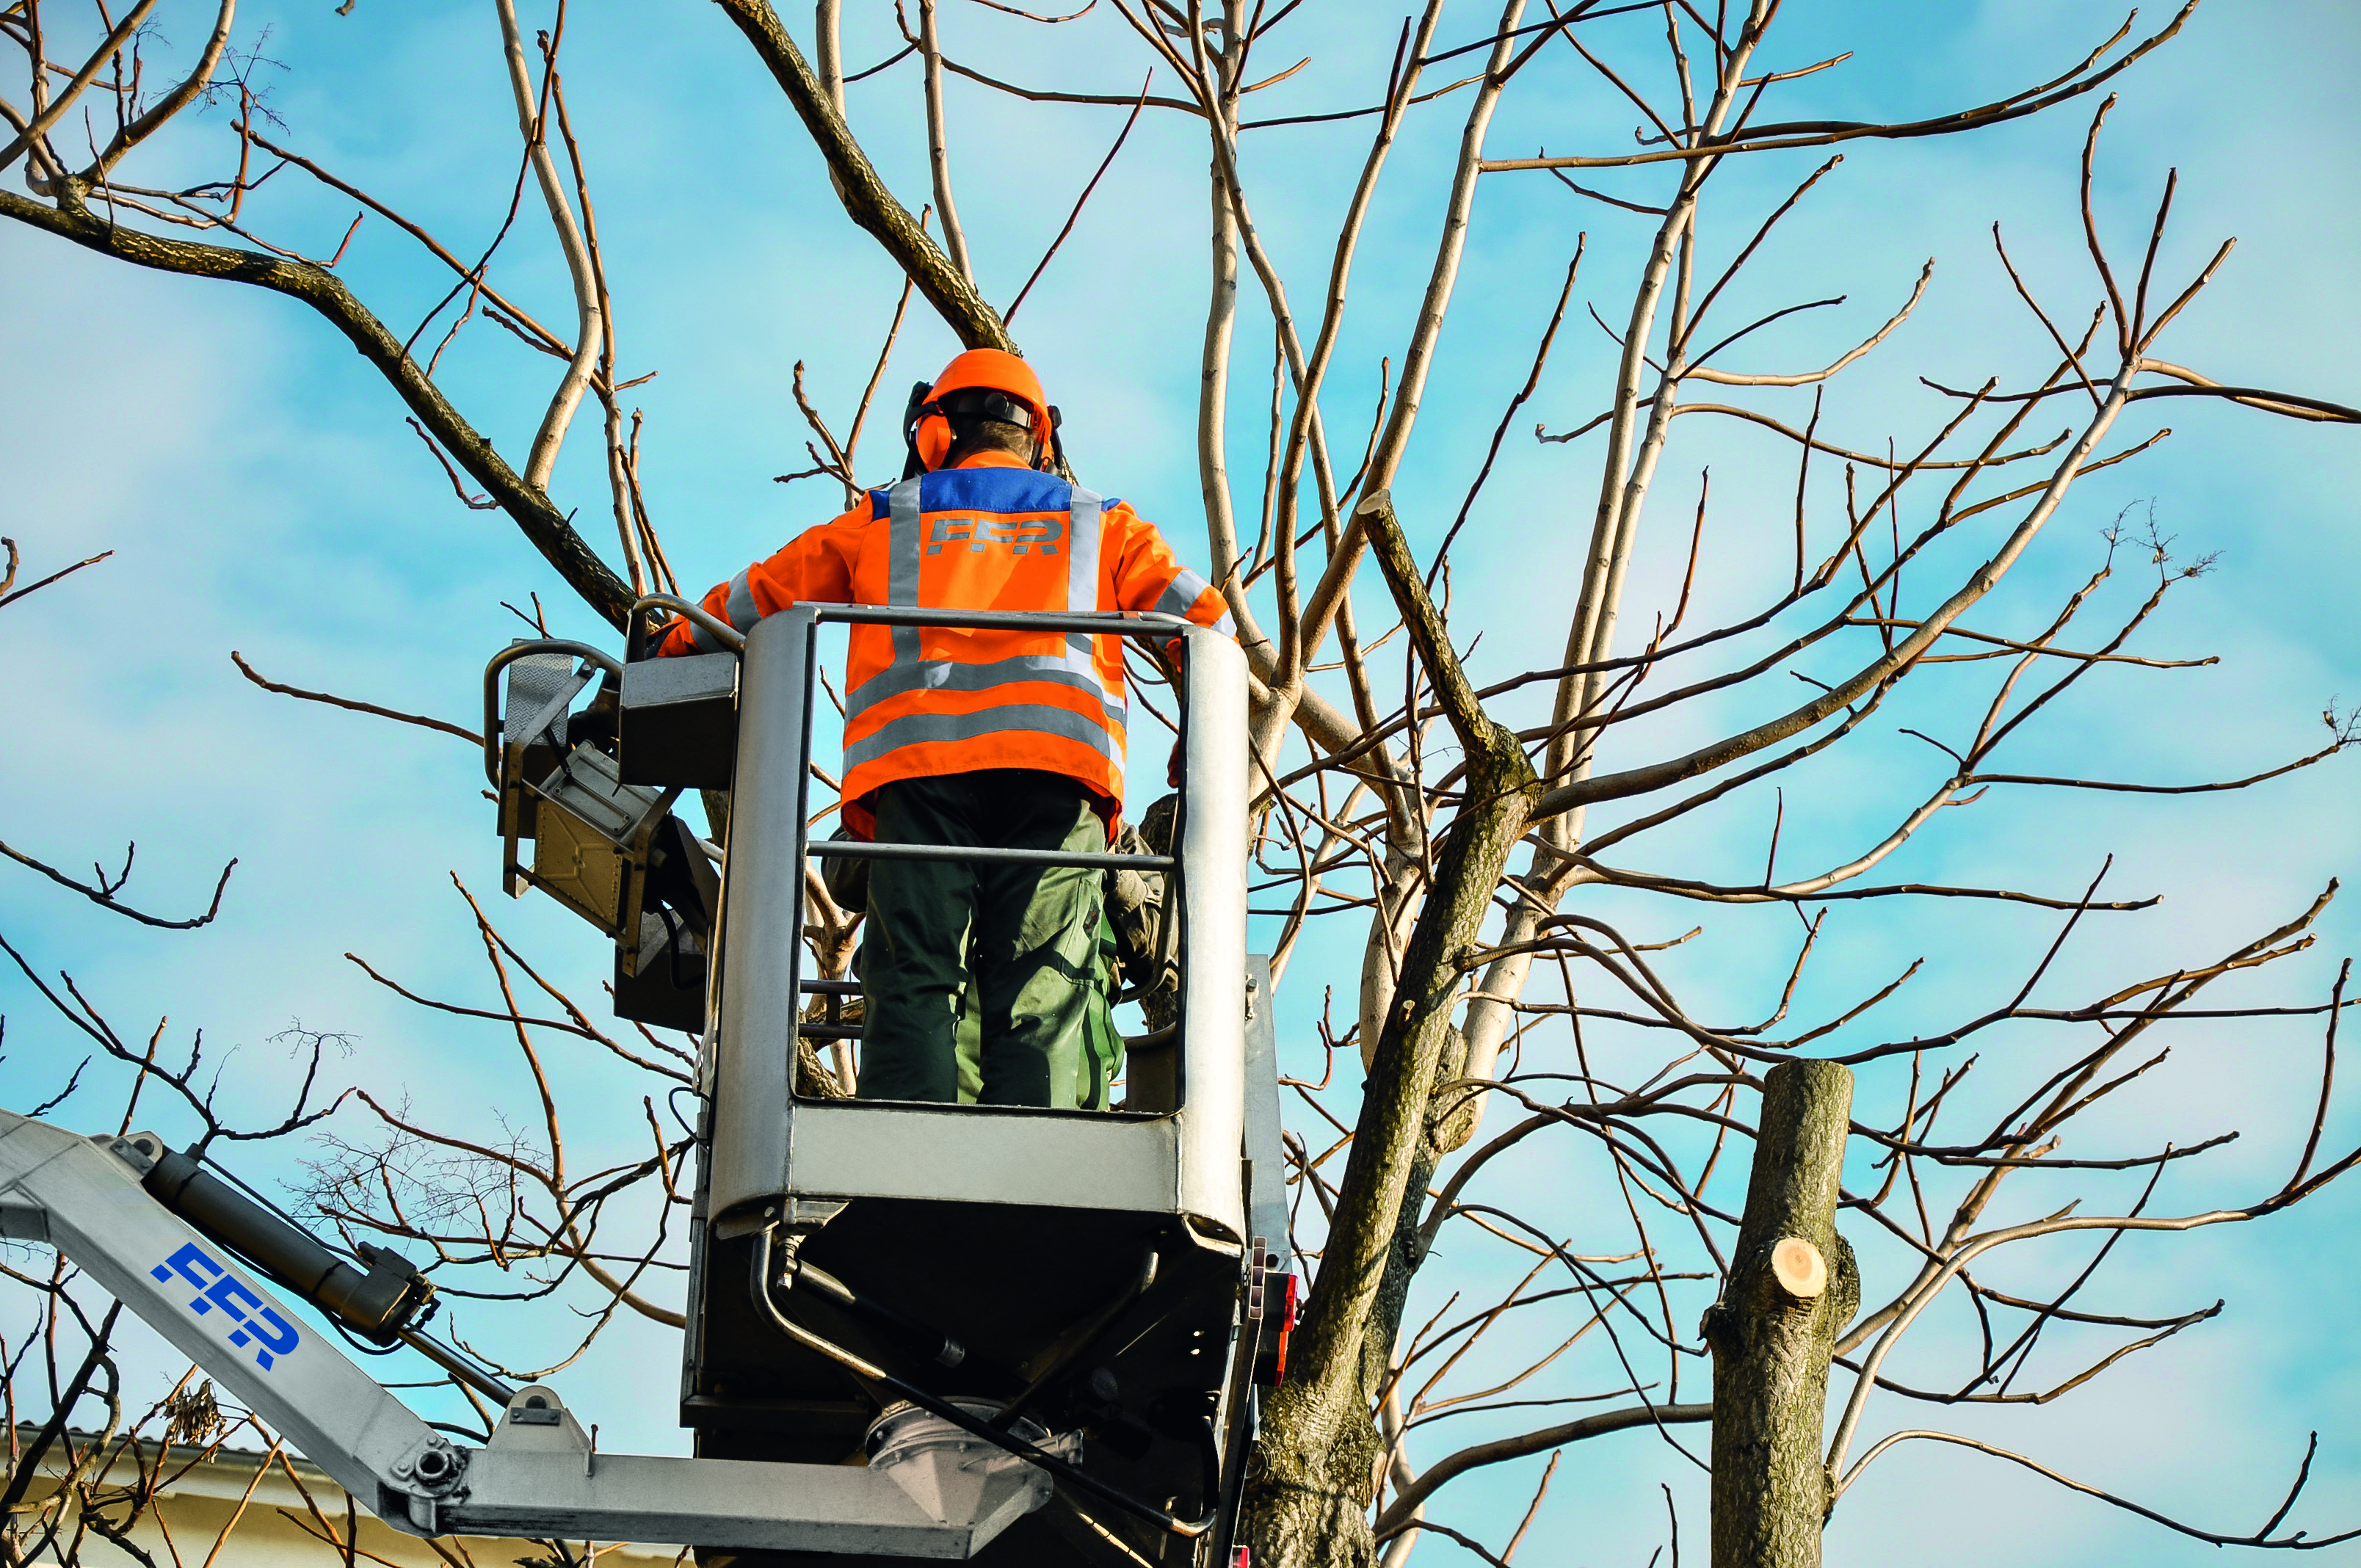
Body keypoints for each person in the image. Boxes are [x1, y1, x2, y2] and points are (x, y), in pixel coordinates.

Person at [656, 349, 1233, 1109]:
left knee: (918, 976)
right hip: (1059, 776)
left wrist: (667, 645)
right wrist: (1205, 731)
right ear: (1042, 440)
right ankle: (1042, 1158)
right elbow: (1202, 624)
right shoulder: (1103, 525)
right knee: (1045, 977)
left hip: (919, 777)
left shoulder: (886, 517)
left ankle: (909, 1145)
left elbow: (757, 596)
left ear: (934, 434)